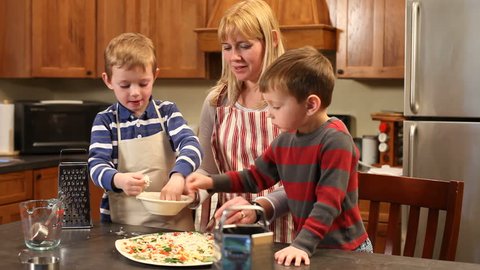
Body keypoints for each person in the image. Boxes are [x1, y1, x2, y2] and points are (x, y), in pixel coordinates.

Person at [187, 46, 372, 266]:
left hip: (347, 252)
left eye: (276, 106)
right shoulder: (285, 141)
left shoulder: (335, 140)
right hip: (313, 247)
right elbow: (253, 178)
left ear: (311, 105)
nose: (270, 113)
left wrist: (300, 244)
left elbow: (328, 204)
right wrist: (210, 182)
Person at [193, 0, 294, 243]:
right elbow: (208, 170)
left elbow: (304, 182)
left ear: (272, 39)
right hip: (230, 231)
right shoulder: (217, 101)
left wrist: (258, 208)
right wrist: (189, 191)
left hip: (286, 235)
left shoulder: (294, 100)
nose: (234, 57)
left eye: (244, 46)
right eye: (227, 47)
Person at [88, 32, 202, 231]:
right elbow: (96, 166)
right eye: (125, 85)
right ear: (108, 81)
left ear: (155, 76)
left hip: (174, 228)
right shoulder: (105, 121)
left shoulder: (167, 113)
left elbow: (191, 146)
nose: (135, 92)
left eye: (143, 83)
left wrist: (178, 177)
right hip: (122, 227)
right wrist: (118, 180)